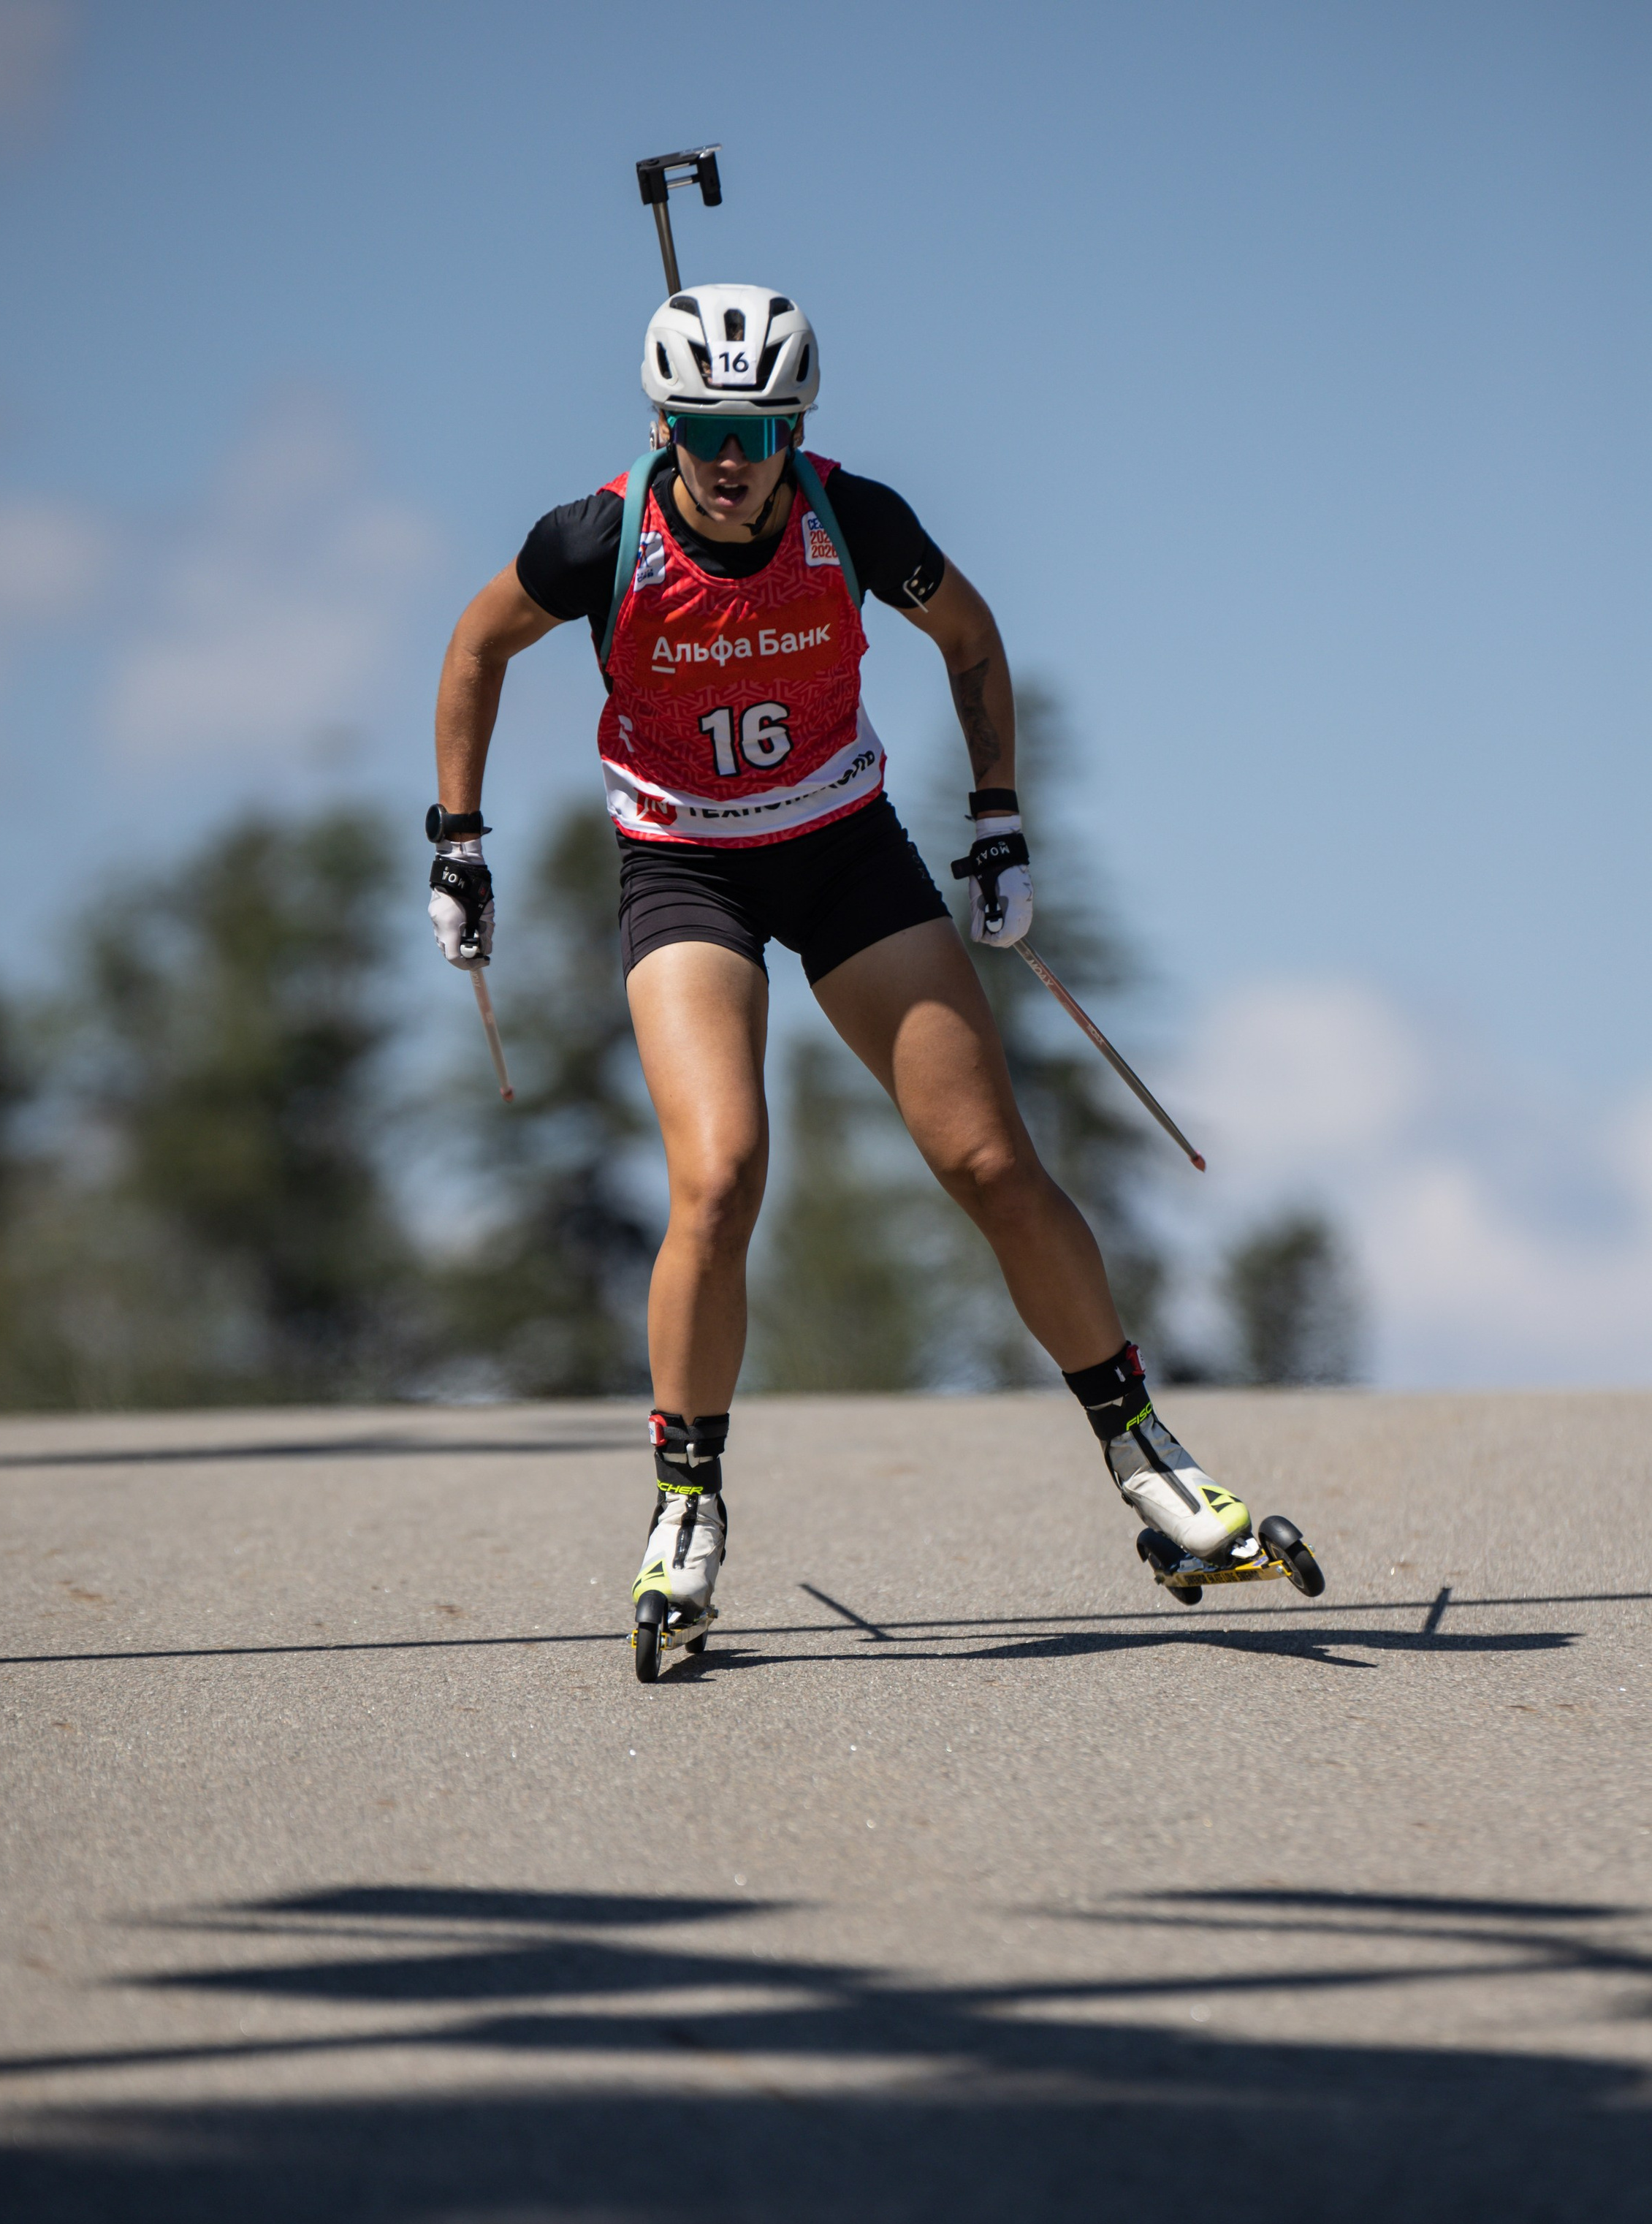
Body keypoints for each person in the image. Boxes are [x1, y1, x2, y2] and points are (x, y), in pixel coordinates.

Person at [429, 284, 1262, 1676]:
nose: (730, 454)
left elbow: (974, 640)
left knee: (992, 1164)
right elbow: (475, 647)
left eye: (756, 423)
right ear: (663, 420)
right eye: (701, 425)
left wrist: (997, 818)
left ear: (797, 419)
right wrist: (458, 840)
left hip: (845, 851)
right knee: (720, 1176)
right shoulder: (596, 537)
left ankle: (1146, 1456)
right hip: (686, 869)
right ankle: (686, 1503)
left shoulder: (854, 517)